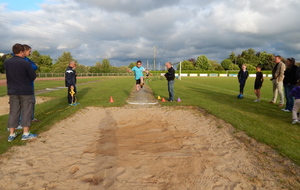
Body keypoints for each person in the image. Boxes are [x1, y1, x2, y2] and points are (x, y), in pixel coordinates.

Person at [4, 43, 37, 141]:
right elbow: (32, 76)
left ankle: (12, 134)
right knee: (26, 111)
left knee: (13, 112)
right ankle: (25, 133)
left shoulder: (7, 62)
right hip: (25, 90)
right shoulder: (25, 63)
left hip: (12, 90)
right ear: (21, 51)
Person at [23, 44, 40, 122]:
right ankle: (22, 121)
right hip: (24, 86)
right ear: (24, 51)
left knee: (32, 102)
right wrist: (30, 66)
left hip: (30, 84)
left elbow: (35, 66)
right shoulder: (20, 60)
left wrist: (31, 66)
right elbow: (31, 67)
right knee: (24, 104)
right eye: (29, 51)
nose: (30, 53)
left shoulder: (27, 59)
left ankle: (31, 118)